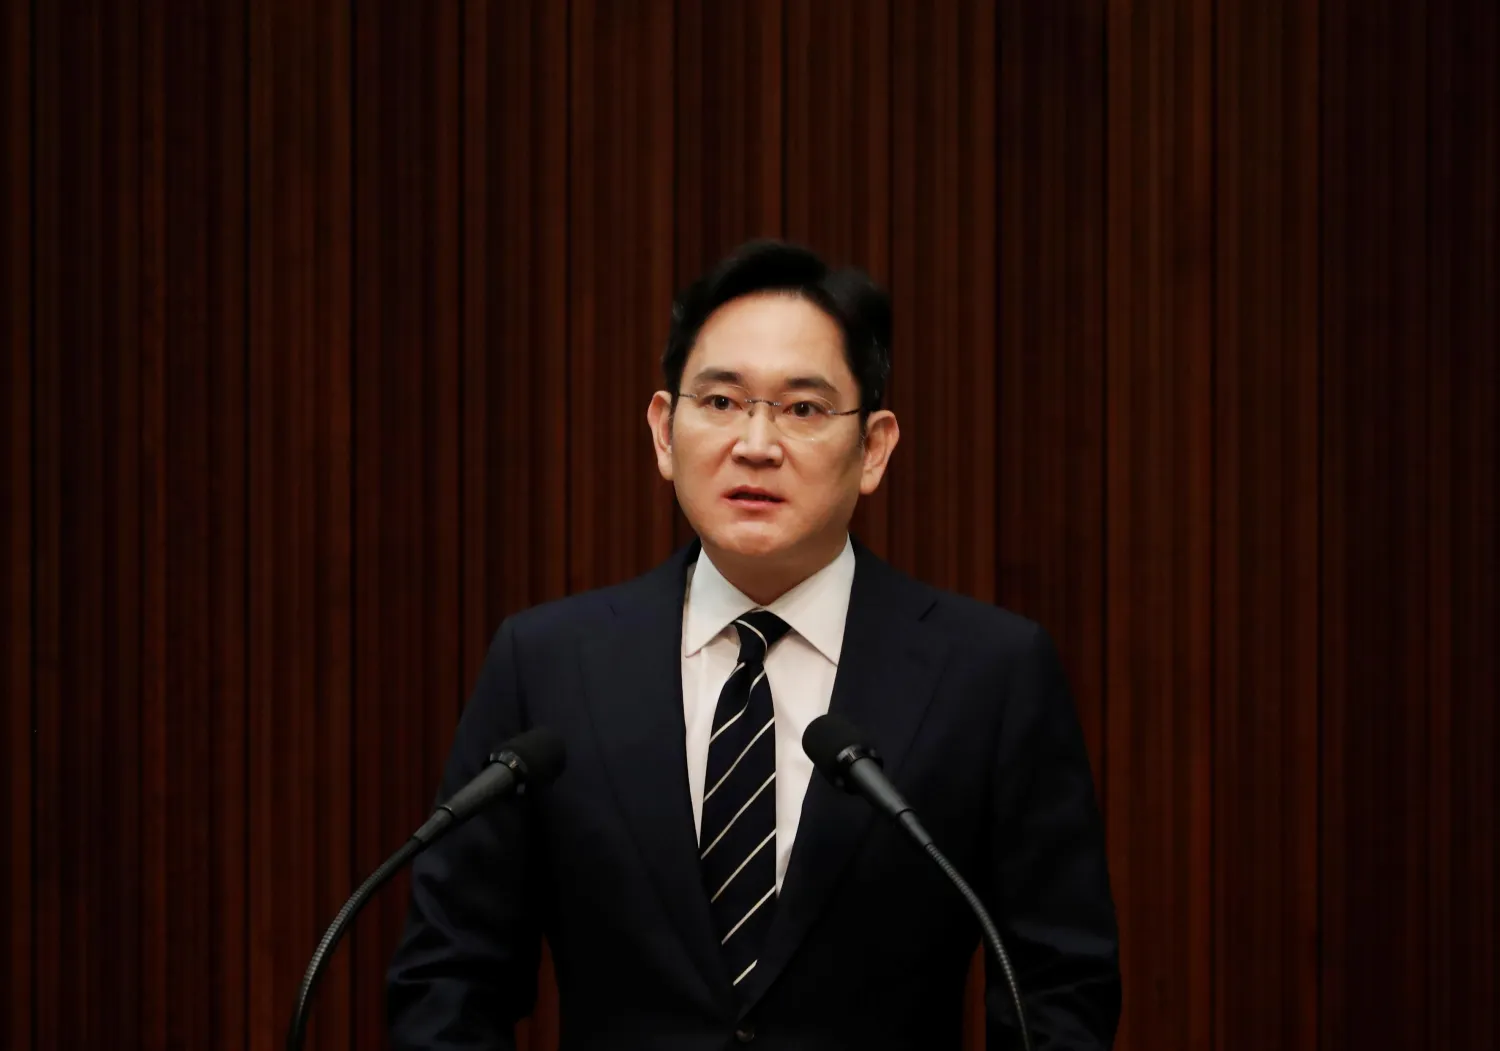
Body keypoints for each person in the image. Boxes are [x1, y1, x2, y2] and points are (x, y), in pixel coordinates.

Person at [386, 240, 1121, 1050]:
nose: (757, 443)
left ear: (874, 448)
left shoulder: (989, 673)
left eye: (803, 409)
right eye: (721, 401)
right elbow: (449, 977)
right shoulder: (549, 664)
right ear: (664, 432)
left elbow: (1059, 985)